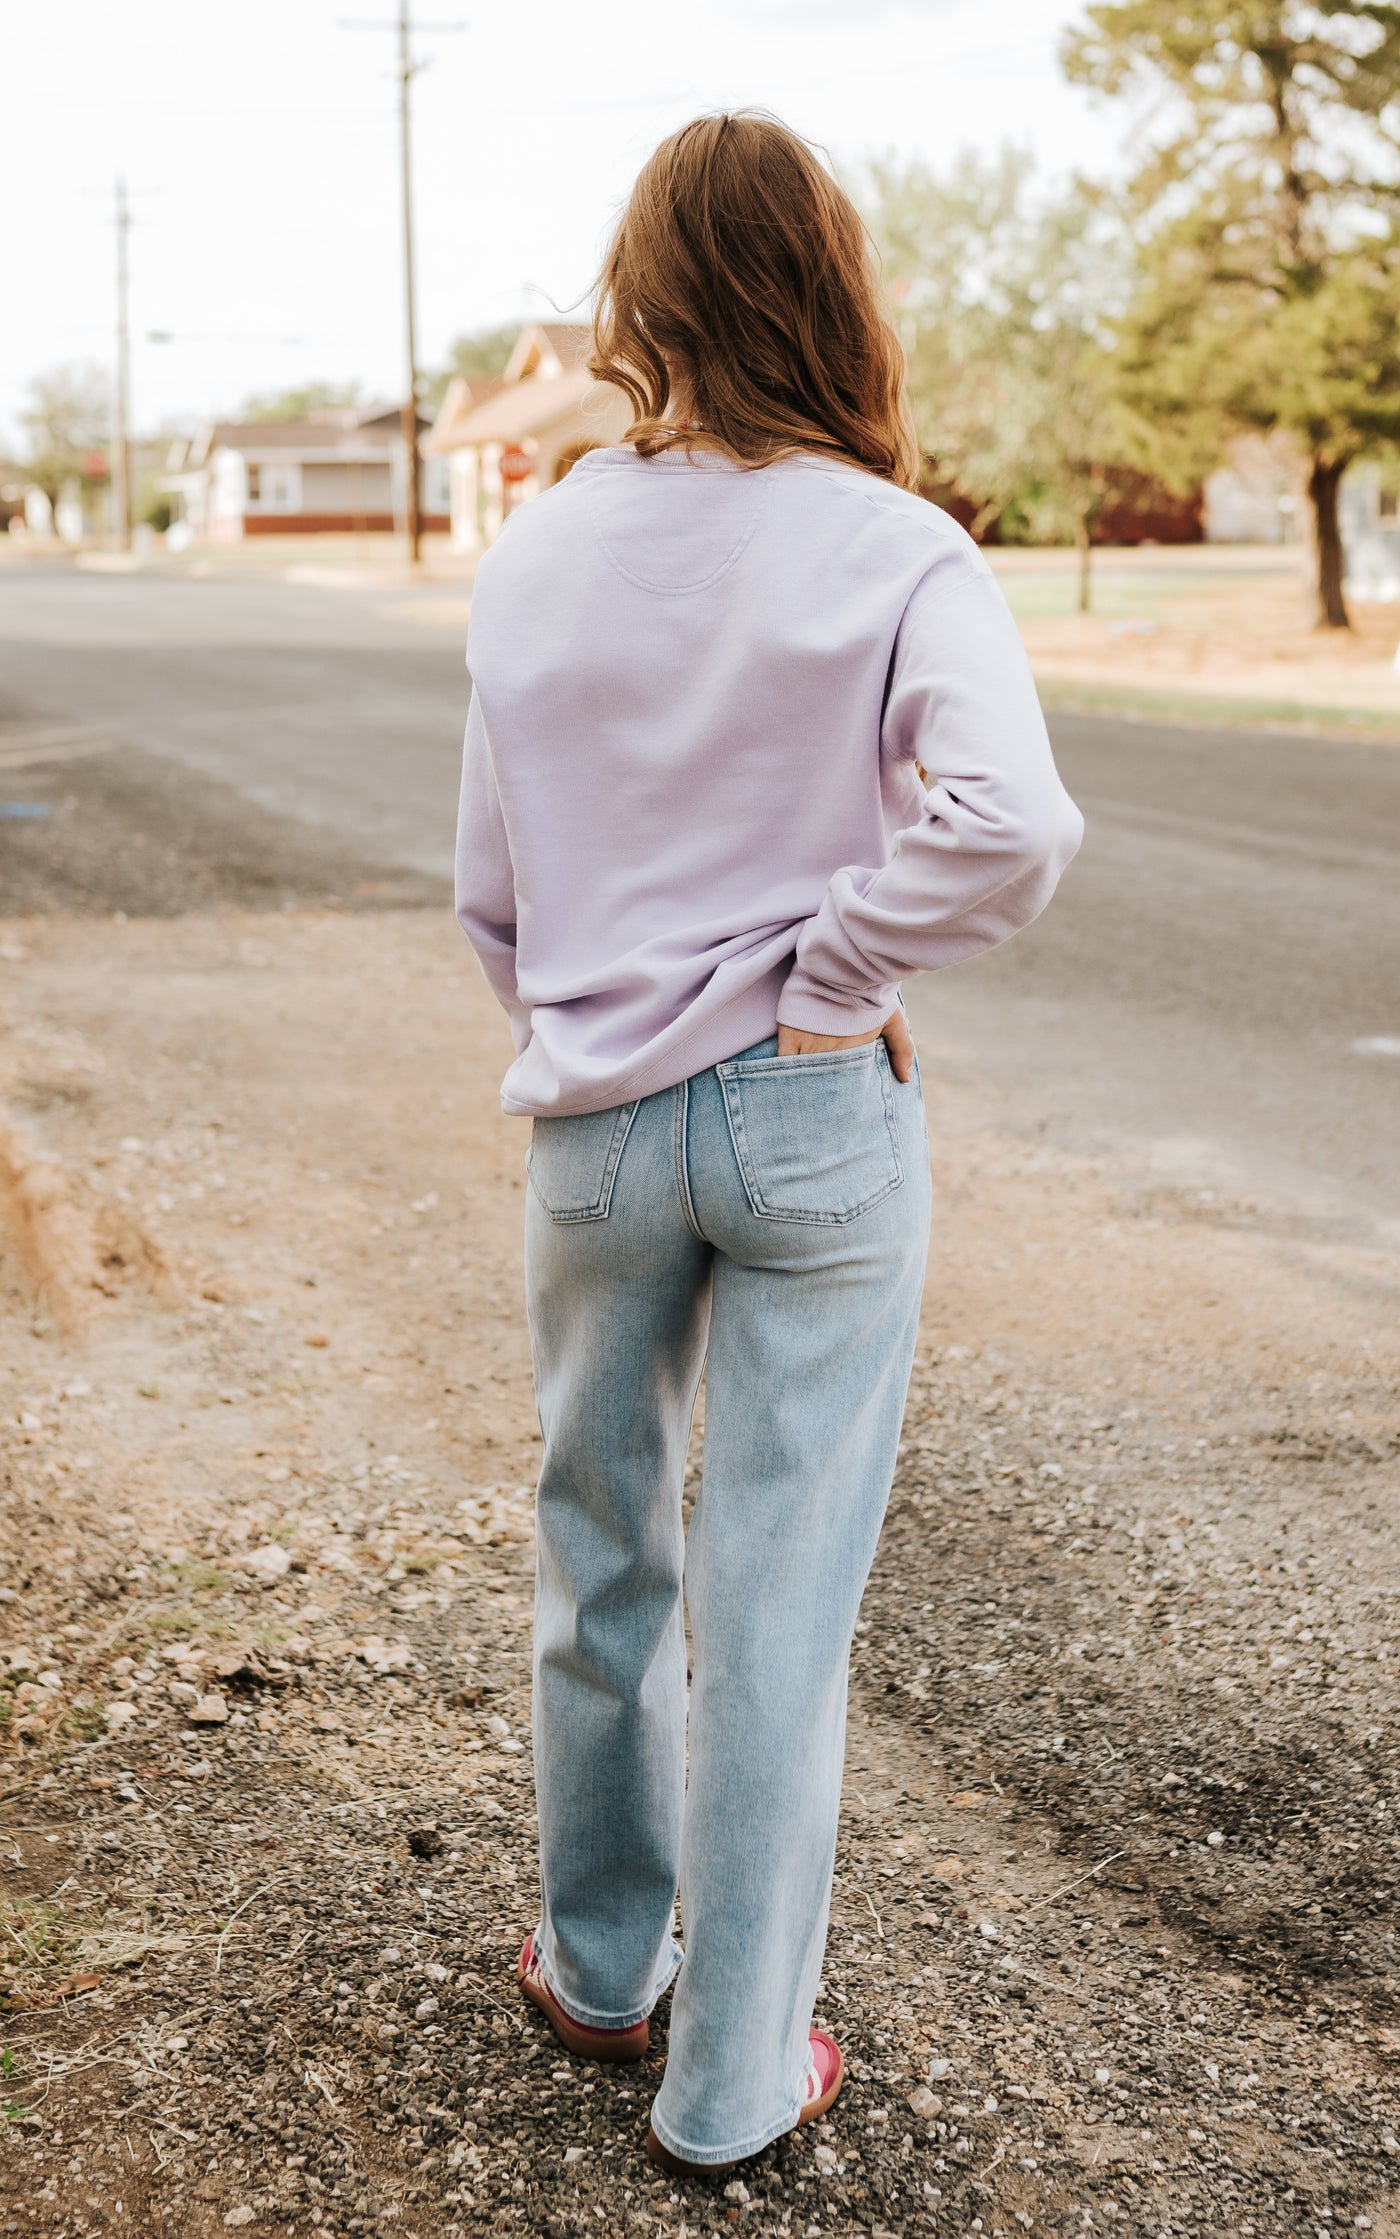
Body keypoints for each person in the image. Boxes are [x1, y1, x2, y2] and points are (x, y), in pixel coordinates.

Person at [454, 110, 1084, 2176]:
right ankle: (728, 2085)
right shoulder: (894, 542)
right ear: (831, 286)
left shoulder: (537, 537)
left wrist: (604, 1025)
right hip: (816, 1117)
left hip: (596, 1114)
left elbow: (490, 890)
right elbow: (1008, 825)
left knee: (597, 1553)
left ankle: (594, 1969)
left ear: (642, 298)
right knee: (777, 1602)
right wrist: (826, 980)